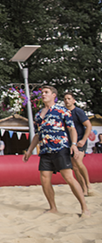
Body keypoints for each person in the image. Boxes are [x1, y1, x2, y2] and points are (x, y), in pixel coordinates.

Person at [23, 85, 89, 216]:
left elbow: (71, 129)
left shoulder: (62, 111)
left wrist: (74, 144)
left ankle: (84, 208)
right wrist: (30, 150)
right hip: (45, 151)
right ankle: (53, 208)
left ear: (54, 95)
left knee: (69, 177)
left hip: (61, 148)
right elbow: (37, 135)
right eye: (42, 93)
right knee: (44, 179)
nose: (43, 94)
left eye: (46, 92)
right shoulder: (38, 115)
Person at [63, 92, 93, 196]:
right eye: (65, 99)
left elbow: (88, 126)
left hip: (80, 140)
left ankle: (88, 184)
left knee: (78, 161)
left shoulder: (78, 112)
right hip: (70, 143)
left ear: (73, 100)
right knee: (74, 167)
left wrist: (84, 140)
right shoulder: (64, 113)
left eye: (69, 98)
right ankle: (83, 188)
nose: (67, 101)